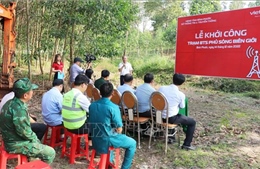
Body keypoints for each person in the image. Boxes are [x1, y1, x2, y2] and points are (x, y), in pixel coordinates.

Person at [0, 78, 55, 164]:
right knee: (50, 152)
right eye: (31, 90)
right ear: (25, 95)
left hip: (9, 138)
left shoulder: (9, 103)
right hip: (15, 144)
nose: (33, 92)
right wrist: (37, 142)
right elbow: (25, 132)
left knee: (36, 138)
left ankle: (32, 159)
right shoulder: (19, 109)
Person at [89, 82, 136, 169]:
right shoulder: (113, 107)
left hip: (95, 138)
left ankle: (108, 163)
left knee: (108, 133)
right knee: (132, 143)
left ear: (100, 93)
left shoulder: (92, 105)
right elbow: (119, 129)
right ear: (113, 93)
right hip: (107, 140)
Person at [158, 73, 196, 150]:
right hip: (171, 118)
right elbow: (182, 106)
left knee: (173, 113)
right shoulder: (180, 94)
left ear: (172, 79)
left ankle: (171, 137)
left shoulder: (162, 88)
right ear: (182, 83)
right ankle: (187, 144)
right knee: (192, 122)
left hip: (158, 116)